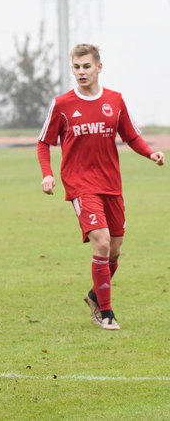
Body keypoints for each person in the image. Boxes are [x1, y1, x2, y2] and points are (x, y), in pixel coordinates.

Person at [37, 43, 164, 330]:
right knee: (102, 242)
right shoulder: (62, 104)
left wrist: (150, 153)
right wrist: (47, 174)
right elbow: (44, 142)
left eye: (86, 66)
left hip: (111, 184)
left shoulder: (115, 101)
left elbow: (131, 136)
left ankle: (95, 294)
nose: (81, 72)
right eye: (76, 67)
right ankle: (105, 312)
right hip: (80, 185)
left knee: (115, 250)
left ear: (98, 68)